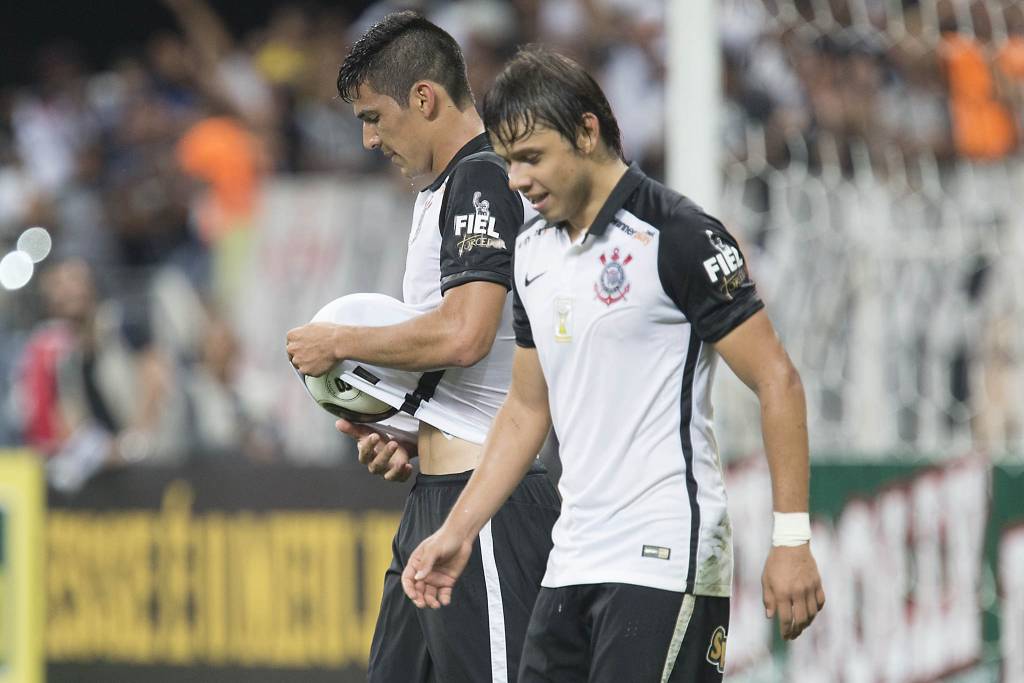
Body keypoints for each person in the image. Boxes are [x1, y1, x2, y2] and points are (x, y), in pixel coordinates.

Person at [402, 47, 826, 682]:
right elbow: (525, 408)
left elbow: (777, 379)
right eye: (508, 160)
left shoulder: (678, 234)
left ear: (587, 131)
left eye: (531, 157)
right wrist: (459, 531)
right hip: (571, 560)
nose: (516, 179)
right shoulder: (531, 253)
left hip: (665, 558)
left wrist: (790, 538)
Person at [284, 13, 560, 683]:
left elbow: (465, 333)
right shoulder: (445, 190)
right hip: (436, 496)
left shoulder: (484, 178)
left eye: (373, 117)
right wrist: (409, 429)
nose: (369, 139)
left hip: (488, 503)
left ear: (425, 98)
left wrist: (340, 342)